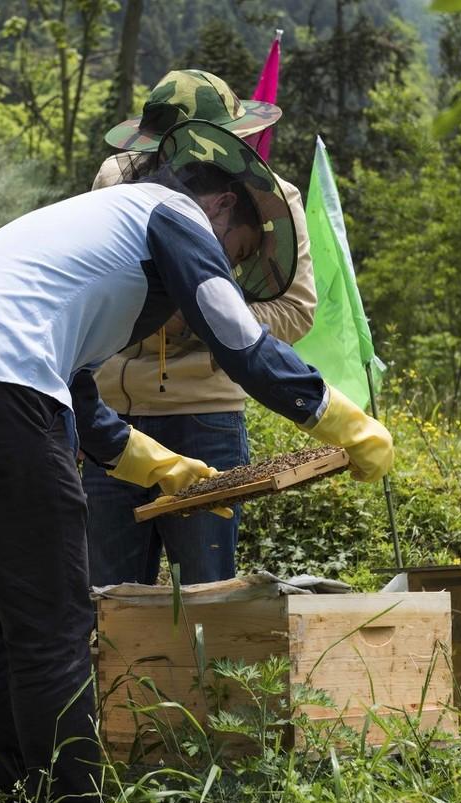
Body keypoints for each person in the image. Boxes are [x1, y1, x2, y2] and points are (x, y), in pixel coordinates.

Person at [0, 120, 393, 803]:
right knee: (55, 629)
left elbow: (78, 394)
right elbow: (238, 338)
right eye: (235, 252)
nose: (223, 267)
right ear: (224, 207)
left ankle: (12, 796)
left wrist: (159, 466)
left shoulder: (90, 227)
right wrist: (341, 419)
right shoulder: (172, 214)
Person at [85, 69, 317, 587]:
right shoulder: (115, 179)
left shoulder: (273, 201)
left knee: (208, 597)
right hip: (111, 417)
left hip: (205, 419)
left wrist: (202, 313)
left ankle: (205, 674)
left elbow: (296, 309)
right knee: (107, 600)